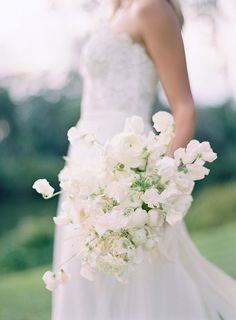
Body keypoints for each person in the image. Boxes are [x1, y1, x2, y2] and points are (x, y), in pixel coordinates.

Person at [52, 0, 236, 319]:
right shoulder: (114, 13)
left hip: (126, 159)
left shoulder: (151, 9)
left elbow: (184, 109)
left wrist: (154, 186)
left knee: (135, 279)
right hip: (84, 160)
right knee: (85, 274)